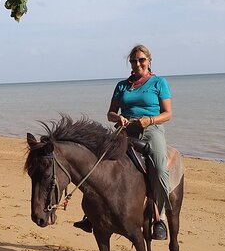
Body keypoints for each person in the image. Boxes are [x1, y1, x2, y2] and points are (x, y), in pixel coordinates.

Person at [74, 44, 173, 240]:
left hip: (151, 129)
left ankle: (159, 218)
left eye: (141, 60)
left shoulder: (159, 83)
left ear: (149, 61)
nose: (137, 64)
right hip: (125, 130)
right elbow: (110, 113)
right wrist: (118, 118)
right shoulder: (122, 85)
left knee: (160, 168)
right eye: (134, 61)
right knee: (99, 163)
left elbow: (168, 114)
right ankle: (90, 215)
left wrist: (149, 120)